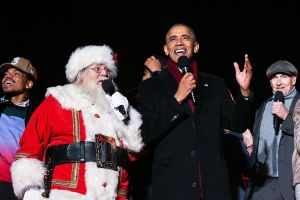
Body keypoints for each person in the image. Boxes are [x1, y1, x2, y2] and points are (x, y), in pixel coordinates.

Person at [10, 45, 144, 200]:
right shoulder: (58, 100)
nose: (104, 74)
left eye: (108, 70)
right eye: (97, 69)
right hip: (66, 194)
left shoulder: (115, 108)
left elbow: (135, 151)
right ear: (81, 74)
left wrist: (127, 117)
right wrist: (30, 191)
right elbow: (30, 146)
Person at [138, 23, 253, 200]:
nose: (179, 43)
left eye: (185, 37)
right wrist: (177, 99)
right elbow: (146, 133)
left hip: (213, 185)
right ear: (166, 49)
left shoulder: (215, 84)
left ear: (196, 46)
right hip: (173, 185)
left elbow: (236, 124)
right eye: (173, 39)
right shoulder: (151, 86)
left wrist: (244, 93)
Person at [245, 60, 299, 200]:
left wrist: (287, 116)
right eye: (274, 77)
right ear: (270, 82)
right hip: (261, 184)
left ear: (294, 80)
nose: (279, 82)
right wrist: (251, 146)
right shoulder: (263, 107)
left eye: (284, 76)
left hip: (290, 184)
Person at [0, 57, 38, 200]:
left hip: (15, 188)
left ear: (28, 84)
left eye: (16, 74)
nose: (8, 76)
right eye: (6, 74)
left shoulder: (38, 115)